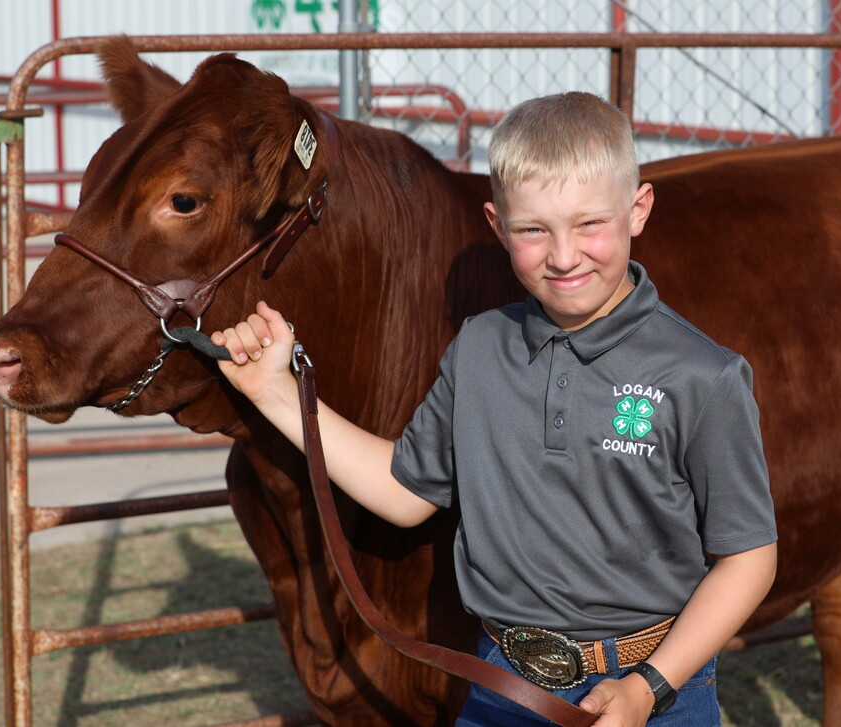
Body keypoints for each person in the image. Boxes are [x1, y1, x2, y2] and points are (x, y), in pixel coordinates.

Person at [211, 91, 778, 726]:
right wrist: (275, 394)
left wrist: (647, 688)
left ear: (637, 210)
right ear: (495, 224)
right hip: (502, 688)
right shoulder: (478, 346)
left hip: (652, 691)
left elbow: (749, 557)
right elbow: (406, 490)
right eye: (533, 230)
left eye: (590, 223)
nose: (563, 257)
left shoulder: (705, 374)